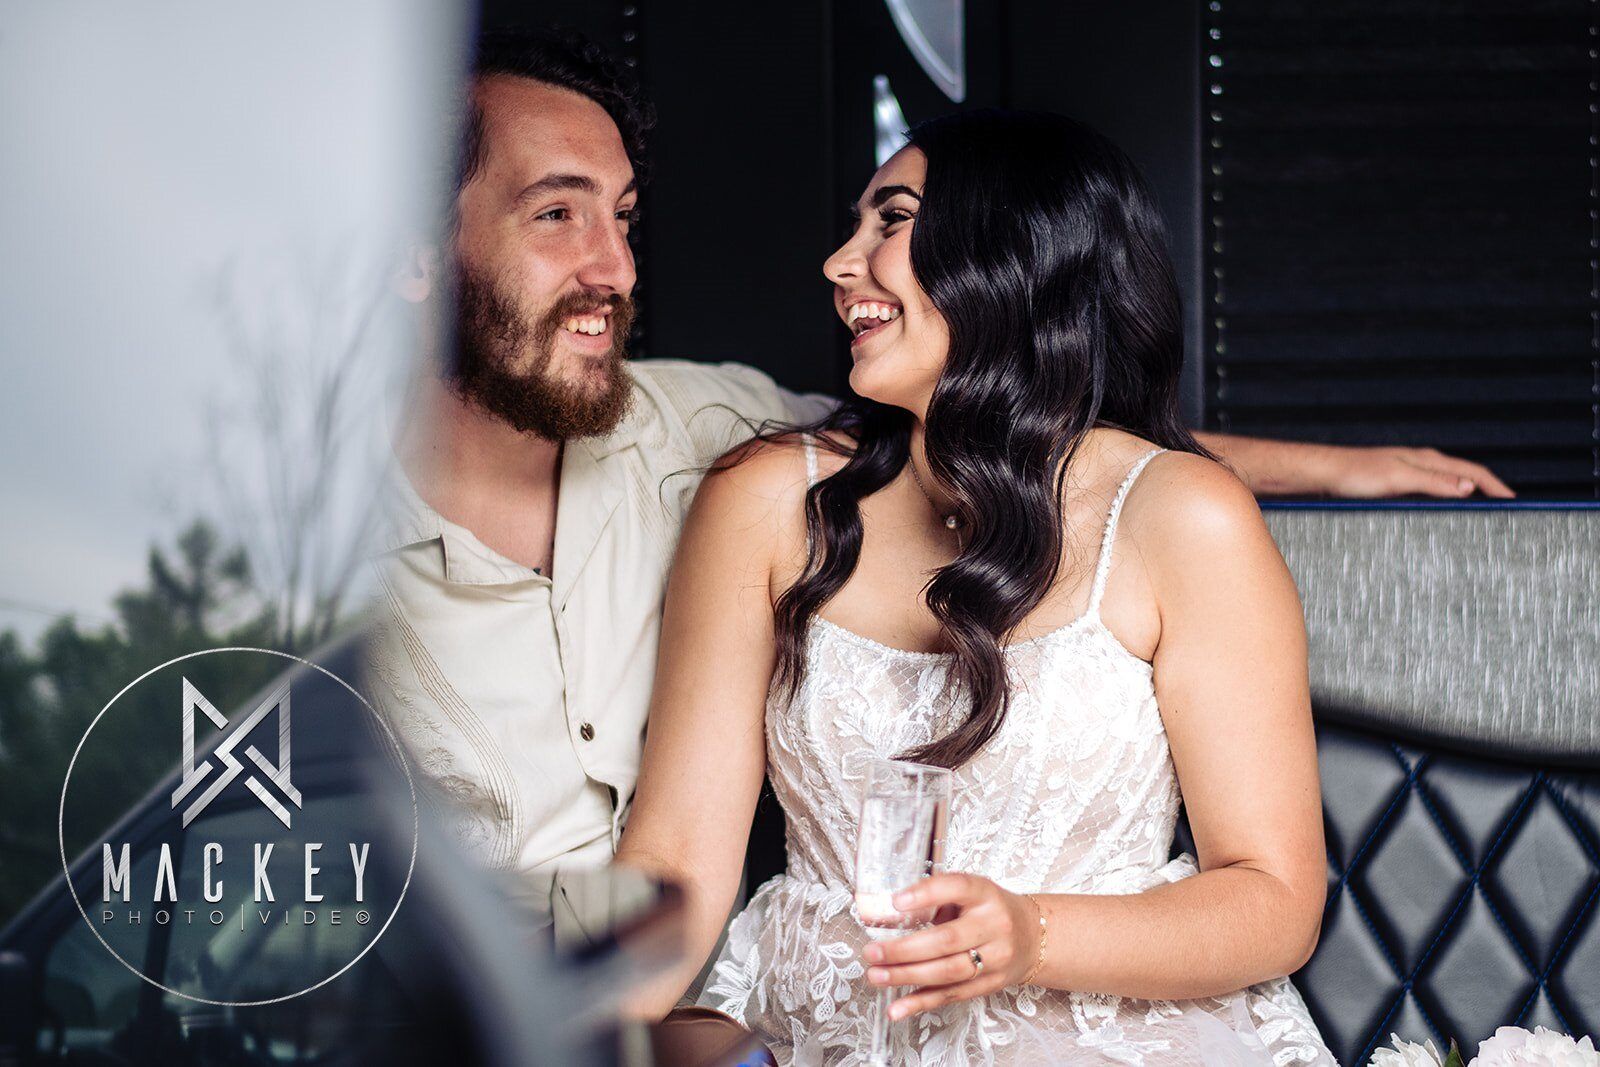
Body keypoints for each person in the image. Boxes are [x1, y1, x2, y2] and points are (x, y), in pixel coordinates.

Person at [366, 28, 1506, 927]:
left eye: (620, 217)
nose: (615, 266)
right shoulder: (284, 548)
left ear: (1009, 259)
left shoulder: (706, 425)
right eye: (556, 214)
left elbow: (1041, 434)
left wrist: (1343, 466)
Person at [614, 110, 1338, 1064]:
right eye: (854, 224)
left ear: (1012, 252)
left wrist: (1034, 934)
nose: (840, 261)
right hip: (823, 1038)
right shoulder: (760, 500)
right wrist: (557, 1032)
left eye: (891, 220)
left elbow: (1276, 896)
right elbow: (670, 858)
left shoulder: (1182, 518)